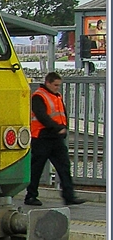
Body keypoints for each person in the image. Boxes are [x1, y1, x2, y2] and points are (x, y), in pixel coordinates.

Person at [25, 71, 85, 206]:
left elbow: (62, 113)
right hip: (42, 137)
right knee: (37, 168)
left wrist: (63, 128)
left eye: (59, 85)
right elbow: (42, 116)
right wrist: (58, 128)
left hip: (55, 138)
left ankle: (69, 196)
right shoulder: (39, 96)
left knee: (64, 166)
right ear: (48, 83)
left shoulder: (56, 96)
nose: (58, 87)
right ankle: (30, 196)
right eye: (55, 85)